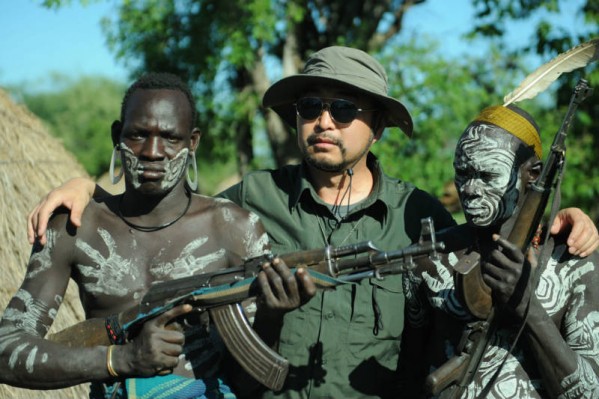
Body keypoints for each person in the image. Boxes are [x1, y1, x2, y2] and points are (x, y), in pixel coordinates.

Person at [26, 47, 599, 398]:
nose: (324, 121)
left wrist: (568, 219)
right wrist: (94, 190)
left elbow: (496, 234)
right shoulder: (249, 200)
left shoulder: (420, 214)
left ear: (377, 127)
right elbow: (161, 204)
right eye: (309, 108)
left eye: (345, 110)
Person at [0, 72, 313, 399]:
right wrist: (121, 359)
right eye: (137, 135)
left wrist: (271, 318)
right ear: (116, 135)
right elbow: (6, 352)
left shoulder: (235, 228)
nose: (152, 151)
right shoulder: (75, 227)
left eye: (170, 138)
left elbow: (250, 384)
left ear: (192, 142)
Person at [402, 105, 599, 398]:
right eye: (462, 172)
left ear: (532, 174)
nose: (469, 188)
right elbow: (407, 373)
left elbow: (590, 392)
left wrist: (526, 307)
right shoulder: (428, 258)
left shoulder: (572, 259)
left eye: (487, 175)